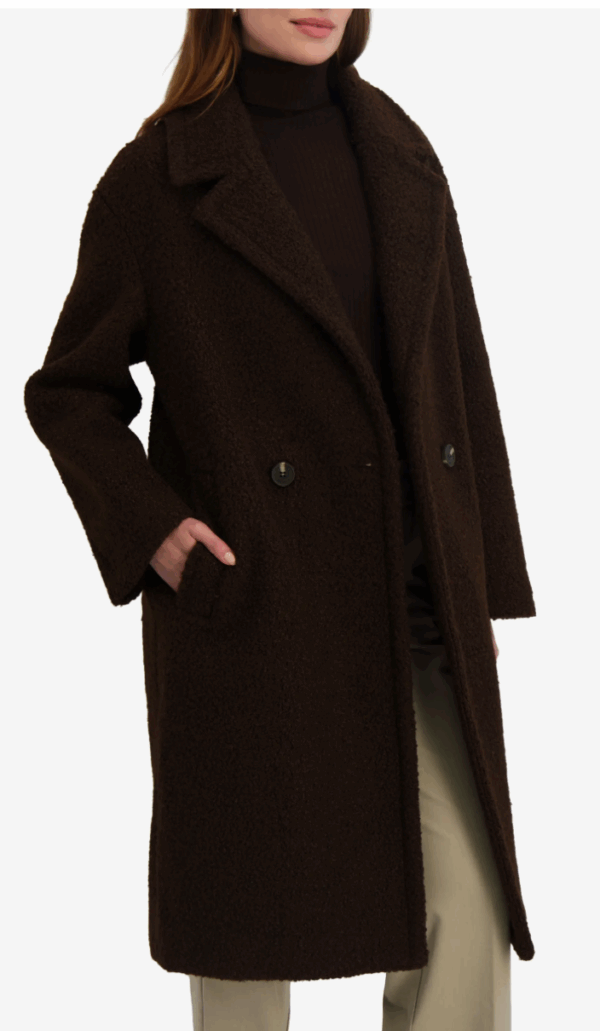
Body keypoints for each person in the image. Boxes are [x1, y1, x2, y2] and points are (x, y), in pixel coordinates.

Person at [24, 9, 535, 1030]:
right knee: (246, 952)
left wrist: (482, 577)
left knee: (468, 917)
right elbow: (70, 391)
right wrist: (157, 530)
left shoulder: (401, 149)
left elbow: (459, 374)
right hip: (258, 611)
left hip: (411, 609)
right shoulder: (160, 179)